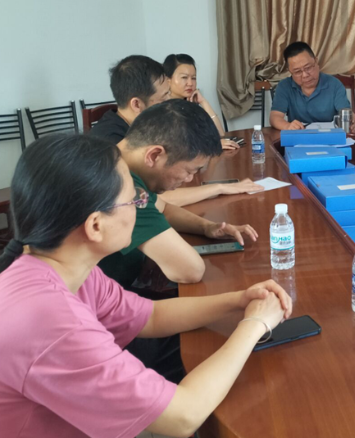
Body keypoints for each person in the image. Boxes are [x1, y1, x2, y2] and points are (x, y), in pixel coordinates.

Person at [0, 134, 291, 438]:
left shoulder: (64, 271)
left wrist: (239, 300)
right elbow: (183, 416)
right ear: (96, 225)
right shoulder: (50, 322)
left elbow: (150, 316)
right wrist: (255, 324)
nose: (141, 208)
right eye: (134, 201)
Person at [99, 99, 260, 293]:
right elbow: (190, 270)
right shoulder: (119, 187)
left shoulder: (111, 159)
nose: (189, 179)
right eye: (190, 170)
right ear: (154, 155)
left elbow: (164, 209)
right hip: (108, 301)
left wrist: (207, 227)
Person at [91, 55, 263, 206]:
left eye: (168, 94)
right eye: (163, 98)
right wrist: (220, 188)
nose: (169, 102)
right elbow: (151, 199)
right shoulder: (111, 146)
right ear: (136, 104)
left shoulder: (144, 126)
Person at [270, 41, 355, 132]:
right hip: (299, 136)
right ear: (290, 71)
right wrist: (288, 126)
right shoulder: (285, 86)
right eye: (297, 72)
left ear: (316, 61)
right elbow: (275, 116)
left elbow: (345, 111)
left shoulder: (334, 84)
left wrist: (351, 118)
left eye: (308, 68)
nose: (305, 75)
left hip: (328, 136)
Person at [164, 53, 240, 151]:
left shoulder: (188, 104)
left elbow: (220, 133)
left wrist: (203, 102)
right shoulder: (164, 108)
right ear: (168, 80)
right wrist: (211, 145)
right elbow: (176, 145)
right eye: (184, 77)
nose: (190, 83)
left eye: (193, 78)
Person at [89, 54, 172, 144]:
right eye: (164, 97)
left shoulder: (142, 124)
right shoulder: (114, 144)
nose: (170, 100)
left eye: (169, 92)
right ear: (136, 104)